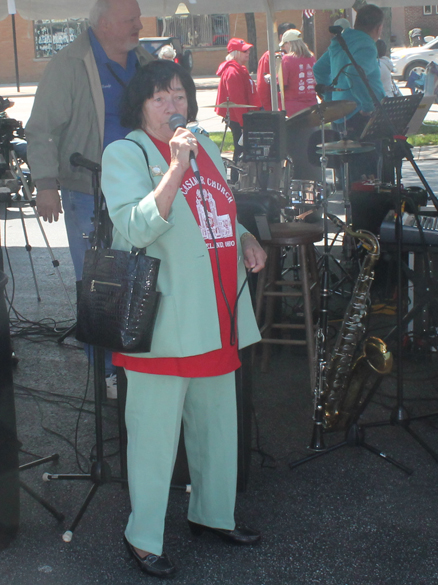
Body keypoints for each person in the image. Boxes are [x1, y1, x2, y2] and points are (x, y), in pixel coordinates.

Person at [100, 59, 267, 578]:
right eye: (160, 98)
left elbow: (218, 211)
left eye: (180, 95)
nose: (174, 106)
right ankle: (143, 536)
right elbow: (134, 227)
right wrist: (174, 168)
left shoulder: (204, 144)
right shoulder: (124, 153)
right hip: (164, 322)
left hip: (216, 314)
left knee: (218, 427)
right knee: (152, 439)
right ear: (140, 106)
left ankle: (214, 515)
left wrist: (244, 238)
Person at [25, 0, 153, 395]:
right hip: (87, 192)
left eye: (137, 17)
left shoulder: (145, 61)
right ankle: (109, 374)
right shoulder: (70, 63)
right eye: (130, 19)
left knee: (145, 278)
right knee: (99, 287)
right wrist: (46, 183)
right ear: (104, 24)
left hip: (143, 191)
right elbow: (42, 128)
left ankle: (139, 362)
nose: (139, 24)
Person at [313, 4, 385, 180]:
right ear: (378, 28)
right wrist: (367, 106)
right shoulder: (367, 44)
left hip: (340, 113)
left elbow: (319, 69)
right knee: (368, 174)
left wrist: (330, 99)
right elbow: (354, 72)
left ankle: (351, 205)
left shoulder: (342, 41)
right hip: (361, 114)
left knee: (346, 174)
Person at [215, 38, 261, 183]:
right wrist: (243, 124)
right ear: (235, 53)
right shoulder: (232, 72)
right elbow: (237, 101)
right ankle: (236, 181)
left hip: (244, 117)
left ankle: (240, 180)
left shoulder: (239, 69)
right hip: (238, 118)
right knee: (240, 150)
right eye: (244, 51)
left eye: (248, 50)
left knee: (241, 149)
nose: (248, 53)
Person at [256, 22, 296, 111]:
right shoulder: (269, 56)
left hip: (295, 106)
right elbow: (262, 86)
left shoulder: (299, 56)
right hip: (275, 108)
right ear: (282, 37)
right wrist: (268, 109)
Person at [279, 29, 317, 117]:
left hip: (293, 108)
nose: (284, 48)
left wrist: (271, 79)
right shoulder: (311, 57)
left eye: (284, 45)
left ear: (289, 43)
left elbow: (282, 84)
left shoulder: (287, 59)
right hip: (312, 105)